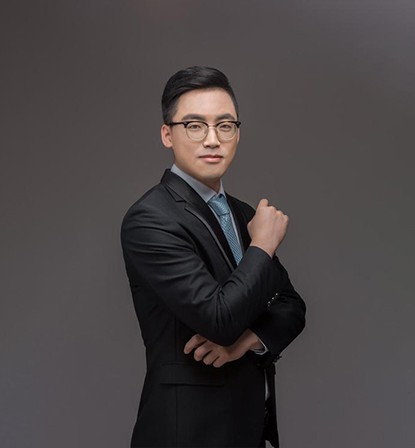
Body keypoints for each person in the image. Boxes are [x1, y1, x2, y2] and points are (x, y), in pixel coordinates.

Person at [121, 66, 306, 448]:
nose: (212, 139)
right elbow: (218, 319)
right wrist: (263, 245)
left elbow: (291, 306)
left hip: (247, 429)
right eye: (194, 125)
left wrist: (246, 341)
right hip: (187, 433)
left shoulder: (242, 213)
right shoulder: (150, 218)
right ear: (167, 134)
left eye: (225, 126)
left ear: (237, 133)